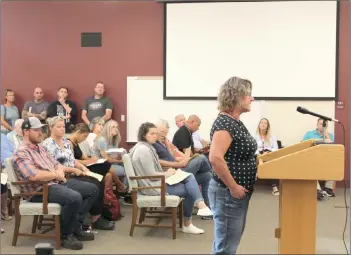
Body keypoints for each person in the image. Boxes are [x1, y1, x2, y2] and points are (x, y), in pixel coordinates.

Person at [13, 117, 99, 250]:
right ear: (25, 132)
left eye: (41, 129)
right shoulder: (22, 152)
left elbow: (56, 164)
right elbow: (33, 175)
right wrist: (55, 174)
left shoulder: (40, 148)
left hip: (55, 183)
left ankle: (75, 226)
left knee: (93, 189)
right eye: (36, 130)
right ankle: (65, 235)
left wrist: (58, 170)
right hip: (39, 190)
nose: (40, 133)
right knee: (74, 197)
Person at [130, 122, 212, 234]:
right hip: (154, 187)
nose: (155, 135)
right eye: (152, 133)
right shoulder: (143, 150)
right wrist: (168, 174)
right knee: (190, 189)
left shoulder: (145, 147)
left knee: (191, 177)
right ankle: (191, 220)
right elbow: (152, 175)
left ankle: (200, 205)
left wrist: (169, 173)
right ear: (144, 135)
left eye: (156, 133)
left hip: (159, 182)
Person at [208, 76, 256, 254]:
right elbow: (215, 158)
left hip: (233, 194)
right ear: (237, 96)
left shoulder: (234, 121)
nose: (252, 99)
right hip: (228, 194)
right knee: (225, 247)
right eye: (248, 95)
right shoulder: (225, 122)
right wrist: (233, 186)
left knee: (227, 242)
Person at [43, 117, 115, 230]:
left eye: (63, 126)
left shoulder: (65, 142)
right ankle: (80, 221)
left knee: (98, 180)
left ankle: (93, 217)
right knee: (95, 185)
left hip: (73, 173)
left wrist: (82, 167)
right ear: (51, 128)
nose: (62, 129)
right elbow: (54, 165)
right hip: (63, 177)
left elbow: (72, 160)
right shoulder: (48, 144)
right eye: (59, 127)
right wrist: (73, 170)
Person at [302, 118, 336, 199]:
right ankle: (317, 190)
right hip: (312, 158)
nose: (322, 126)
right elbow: (302, 146)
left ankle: (328, 189)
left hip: (325, 159)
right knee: (311, 166)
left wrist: (327, 137)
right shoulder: (309, 134)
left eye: (324, 125)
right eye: (320, 124)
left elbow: (333, 150)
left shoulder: (330, 135)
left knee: (334, 163)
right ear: (317, 125)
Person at [254, 118, 279, 195]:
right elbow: (252, 148)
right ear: (259, 125)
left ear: (268, 126)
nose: (263, 124)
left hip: (268, 154)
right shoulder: (254, 136)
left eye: (265, 123)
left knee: (271, 163)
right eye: (261, 123)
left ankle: (274, 187)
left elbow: (276, 148)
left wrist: (268, 153)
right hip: (257, 154)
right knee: (257, 158)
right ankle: (258, 170)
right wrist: (259, 154)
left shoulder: (272, 137)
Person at [1, 133, 14, 221]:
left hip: (4, 167)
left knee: (3, 184)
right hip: (3, 166)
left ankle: (4, 210)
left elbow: (13, 149)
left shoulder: (3, 136)